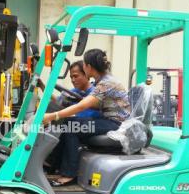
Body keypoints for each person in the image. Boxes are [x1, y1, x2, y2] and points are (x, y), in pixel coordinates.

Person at [42, 49, 131, 186]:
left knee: (71, 126)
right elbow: (93, 104)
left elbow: (83, 106)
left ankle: (69, 174)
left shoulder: (107, 83)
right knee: (68, 123)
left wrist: (53, 116)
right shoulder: (103, 81)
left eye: (84, 65)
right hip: (109, 121)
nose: (83, 67)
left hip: (115, 124)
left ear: (89, 66)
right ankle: (55, 165)